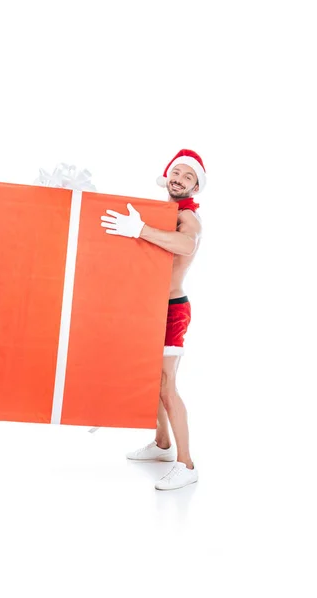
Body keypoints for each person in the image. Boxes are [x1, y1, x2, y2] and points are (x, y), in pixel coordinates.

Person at [100, 149, 206, 490]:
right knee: (151, 381)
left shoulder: (188, 217)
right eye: (177, 172)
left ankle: (186, 464)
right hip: (149, 307)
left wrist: (141, 229)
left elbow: (186, 244)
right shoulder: (165, 211)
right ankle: (162, 444)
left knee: (166, 386)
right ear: (167, 175)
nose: (180, 179)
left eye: (189, 177)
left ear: (196, 186)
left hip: (173, 311)